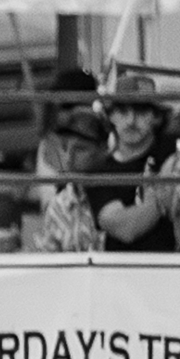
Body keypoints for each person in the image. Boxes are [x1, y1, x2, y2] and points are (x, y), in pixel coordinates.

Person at [92, 77, 179, 252]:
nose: (131, 120)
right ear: (110, 116)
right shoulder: (99, 172)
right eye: (123, 111)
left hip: (177, 269)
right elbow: (125, 229)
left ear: (156, 117)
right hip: (121, 273)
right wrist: (166, 187)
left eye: (141, 111)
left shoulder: (177, 149)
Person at [30, 108, 109, 253]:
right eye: (65, 148)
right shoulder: (58, 205)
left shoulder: (121, 195)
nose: (69, 158)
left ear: (104, 149)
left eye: (80, 149)